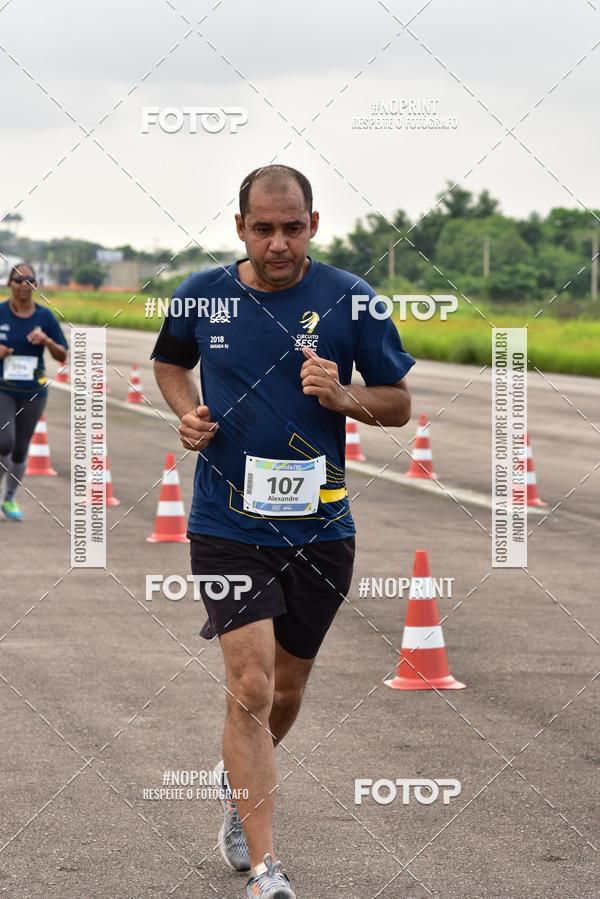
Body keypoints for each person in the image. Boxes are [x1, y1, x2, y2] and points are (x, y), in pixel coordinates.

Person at [151, 165, 415, 898]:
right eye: (262, 227)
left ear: (314, 224)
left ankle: (237, 780)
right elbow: (170, 360)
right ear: (240, 227)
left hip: (321, 525)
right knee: (252, 683)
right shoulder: (204, 293)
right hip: (226, 522)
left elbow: (397, 403)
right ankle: (266, 865)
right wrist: (187, 410)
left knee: (289, 689)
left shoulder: (352, 300)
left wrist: (345, 395)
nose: (277, 242)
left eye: (291, 226)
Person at [0, 263, 68, 520]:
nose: (23, 285)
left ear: (35, 285)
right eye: (18, 280)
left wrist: (47, 341)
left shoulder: (44, 317)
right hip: (3, 388)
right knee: (4, 442)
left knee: (19, 449)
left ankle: (8, 499)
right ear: (10, 284)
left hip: (33, 391)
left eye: (28, 280)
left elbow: (62, 354)